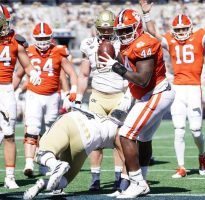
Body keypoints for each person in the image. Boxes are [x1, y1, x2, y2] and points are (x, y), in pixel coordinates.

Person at [99, 8, 175, 198]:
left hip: (156, 93)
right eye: (121, 30)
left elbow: (142, 79)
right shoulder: (128, 44)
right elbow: (125, 63)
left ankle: (137, 182)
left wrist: (115, 67)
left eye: (127, 29)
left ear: (138, 26)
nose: (124, 34)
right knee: (143, 139)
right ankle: (143, 182)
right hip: (148, 95)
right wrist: (110, 58)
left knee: (126, 134)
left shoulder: (145, 43)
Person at [139, 0, 205, 177]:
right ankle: (181, 166)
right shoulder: (170, 39)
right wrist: (146, 14)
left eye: (184, 29)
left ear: (189, 28)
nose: (181, 32)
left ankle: (202, 154)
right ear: (174, 30)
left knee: (196, 130)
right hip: (178, 88)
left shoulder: (199, 36)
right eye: (178, 30)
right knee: (179, 129)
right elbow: (153, 32)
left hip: (194, 88)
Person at [76, 10, 132, 191]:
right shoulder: (89, 44)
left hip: (118, 96)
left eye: (109, 29)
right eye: (103, 29)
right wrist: (78, 98)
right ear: (97, 28)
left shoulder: (123, 44)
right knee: (96, 140)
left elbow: (130, 70)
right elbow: (84, 75)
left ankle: (118, 178)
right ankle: (95, 179)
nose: (106, 32)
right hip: (98, 96)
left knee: (118, 140)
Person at [13, 22, 78, 178]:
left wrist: (72, 91)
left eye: (45, 38)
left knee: (49, 132)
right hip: (34, 94)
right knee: (33, 128)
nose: (42, 42)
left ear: (51, 37)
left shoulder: (58, 51)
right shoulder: (28, 52)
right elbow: (19, 74)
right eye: (39, 38)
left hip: (52, 96)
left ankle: (45, 164)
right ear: (34, 38)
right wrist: (12, 91)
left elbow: (71, 73)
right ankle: (29, 163)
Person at [22, 108, 127, 200]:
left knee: (40, 153)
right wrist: (126, 184)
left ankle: (44, 180)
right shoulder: (121, 131)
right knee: (64, 181)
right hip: (88, 140)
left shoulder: (105, 119)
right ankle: (48, 178)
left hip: (73, 121)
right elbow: (127, 162)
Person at [0, 4, 41, 189]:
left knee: (9, 134)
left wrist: (33, 72)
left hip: (6, 89)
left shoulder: (15, 41)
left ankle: (9, 177)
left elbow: (26, 64)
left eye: (5, 23)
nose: (5, 27)